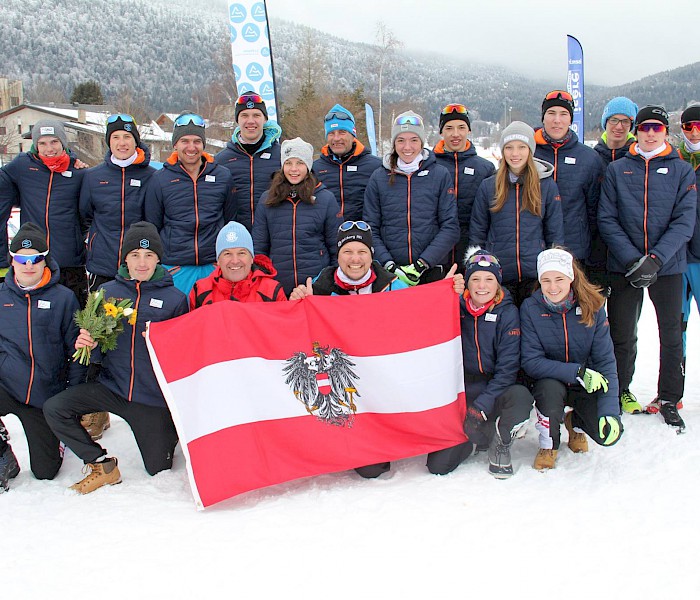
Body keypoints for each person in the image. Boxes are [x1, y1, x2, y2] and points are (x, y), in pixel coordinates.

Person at [289, 220, 466, 477]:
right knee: (370, 470)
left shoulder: (392, 285)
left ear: (371, 255)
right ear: (337, 255)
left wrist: (446, 295)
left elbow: (419, 318)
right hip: (352, 394)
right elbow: (295, 339)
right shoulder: (318, 290)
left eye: (362, 251)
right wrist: (296, 304)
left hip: (387, 385)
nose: (355, 259)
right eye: (347, 251)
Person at [43, 222, 189, 494]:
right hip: (113, 388)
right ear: (125, 259)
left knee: (159, 468)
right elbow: (97, 354)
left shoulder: (175, 299)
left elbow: (181, 354)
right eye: (134, 255)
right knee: (55, 408)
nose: (142, 263)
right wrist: (87, 342)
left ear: (159, 258)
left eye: (148, 255)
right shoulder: (107, 293)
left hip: (150, 397)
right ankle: (100, 462)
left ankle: (167, 431)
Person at [598, 105, 696, 427]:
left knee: (670, 333)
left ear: (665, 132)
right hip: (624, 265)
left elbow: (684, 222)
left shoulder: (681, 170)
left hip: (667, 266)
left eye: (657, 128)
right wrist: (632, 260)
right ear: (635, 131)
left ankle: (669, 395)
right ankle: (619, 389)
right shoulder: (618, 169)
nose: (651, 133)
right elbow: (607, 218)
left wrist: (654, 260)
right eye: (645, 128)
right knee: (622, 333)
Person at [520, 248, 623, 470]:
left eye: (559, 279)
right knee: (548, 391)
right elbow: (531, 361)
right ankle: (549, 443)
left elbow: (606, 362)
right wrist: (576, 372)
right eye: (546, 280)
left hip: (587, 382)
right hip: (551, 380)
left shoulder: (593, 306)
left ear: (571, 277)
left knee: (608, 435)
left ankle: (575, 423)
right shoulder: (530, 308)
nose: (553, 287)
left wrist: (610, 412)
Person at [0, 223, 84, 492]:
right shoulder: (1, 297)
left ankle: (56, 440)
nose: (29, 265)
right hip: (8, 386)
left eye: (35, 258)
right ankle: (4, 453)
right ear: (13, 261)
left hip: (43, 396)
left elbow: (75, 350)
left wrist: (70, 398)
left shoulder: (63, 298)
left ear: (44, 260)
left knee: (45, 473)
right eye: (22, 259)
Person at [457, 248, 533, 478]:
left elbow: (507, 370)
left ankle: (500, 440)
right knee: (440, 464)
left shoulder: (508, 312)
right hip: (464, 388)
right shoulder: (454, 307)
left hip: (496, 387)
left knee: (521, 397)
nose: (482, 286)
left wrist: (481, 406)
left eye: (489, 279)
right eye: (475, 279)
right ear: (467, 284)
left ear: (498, 283)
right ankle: (478, 438)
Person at [469, 121, 564, 307]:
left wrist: (552, 270)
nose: (515, 153)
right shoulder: (489, 186)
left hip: (534, 276)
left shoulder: (546, 186)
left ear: (530, 150)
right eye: (509, 147)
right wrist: (481, 270)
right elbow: (478, 232)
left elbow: (555, 233)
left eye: (521, 147)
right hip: (499, 275)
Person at [364, 110, 460, 286]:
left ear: (422, 142)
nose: (407, 147)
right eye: (401, 140)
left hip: (430, 270)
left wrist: (421, 264)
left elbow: (450, 227)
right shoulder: (378, 177)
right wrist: (388, 264)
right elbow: (370, 227)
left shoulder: (439, 174)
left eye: (414, 140)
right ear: (394, 143)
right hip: (390, 273)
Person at [144, 112, 235, 295]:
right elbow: (153, 225)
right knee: (180, 321)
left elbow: (230, 220)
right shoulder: (160, 179)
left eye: (196, 141)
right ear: (175, 144)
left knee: (213, 322)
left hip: (213, 268)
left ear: (203, 144)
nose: (191, 147)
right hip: (176, 268)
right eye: (185, 141)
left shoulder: (222, 176)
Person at [0, 119, 88, 304]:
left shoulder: (79, 172)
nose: (49, 148)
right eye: (42, 143)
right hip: (33, 258)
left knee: (73, 314)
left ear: (63, 142)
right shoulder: (21, 166)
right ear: (35, 145)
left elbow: (86, 212)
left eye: (54, 142)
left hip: (69, 259)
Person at [252, 137, 340, 296]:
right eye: (288, 163)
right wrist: (265, 281)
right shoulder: (267, 199)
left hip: (315, 285)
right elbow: (259, 247)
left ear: (308, 166)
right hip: (277, 286)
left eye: (299, 163)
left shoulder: (325, 199)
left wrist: (328, 283)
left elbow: (335, 247)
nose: (294, 169)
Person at [81, 114, 156, 291]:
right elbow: (85, 216)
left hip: (140, 267)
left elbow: (155, 219)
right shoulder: (93, 177)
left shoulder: (151, 176)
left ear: (136, 141)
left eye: (127, 137)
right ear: (109, 141)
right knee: (99, 317)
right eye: (116, 137)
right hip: (102, 266)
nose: (122, 143)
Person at [534, 91, 605, 267]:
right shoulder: (526, 152)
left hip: (574, 250)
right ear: (543, 118)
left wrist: (594, 253)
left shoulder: (589, 158)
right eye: (551, 113)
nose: (557, 120)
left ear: (570, 119)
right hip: (533, 247)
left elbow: (594, 210)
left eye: (563, 114)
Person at [433, 103, 495, 264]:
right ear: (441, 132)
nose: (455, 134)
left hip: (471, 249)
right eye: (449, 128)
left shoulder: (485, 168)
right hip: (435, 251)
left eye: (461, 127)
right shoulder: (428, 165)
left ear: (469, 130)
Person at [590, 97, 639, 295]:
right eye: (613, 120)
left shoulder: (639, 159)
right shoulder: (591, 158)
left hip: (628, 253)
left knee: (625, 323)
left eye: (625, 121)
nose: (619, 126)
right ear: (605, 123)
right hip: (594, 252)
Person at [669, 104, 700, 415]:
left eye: (699, 127)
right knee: (676, 328)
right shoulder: (675, 161)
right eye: (689, 126)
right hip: (678, 259)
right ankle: (672, 393)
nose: (693, 132)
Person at [214, 92, 282, 232]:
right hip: (235, 242)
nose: (250, 121)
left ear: (265, 119)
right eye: (244, 115)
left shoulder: (282, 157)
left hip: (273, 240)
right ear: (237, 121)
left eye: (256, 115)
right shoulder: (221, 160)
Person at [189, 220, 286, 308]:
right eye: (227, 254)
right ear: (218, 260)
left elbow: (284, 325)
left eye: (241, 253)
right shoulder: (200, 290)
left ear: (252, 258)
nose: (235, 261)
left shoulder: (271, 290)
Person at [313, 104, 381, 221]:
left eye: (342, 132)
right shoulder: (315, 168)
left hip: (363, 234)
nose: (336, 138)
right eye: (331, 133)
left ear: (353, 134)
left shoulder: (375, 166)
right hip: (328, 235)